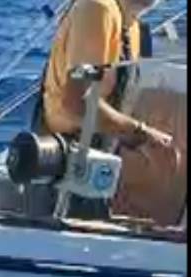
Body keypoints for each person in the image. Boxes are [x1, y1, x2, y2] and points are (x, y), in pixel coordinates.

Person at [33, 0, 178, 217]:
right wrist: (143, 135)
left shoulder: (133, 26)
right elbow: (77, 104)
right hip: (64, 174)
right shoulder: (97, 9)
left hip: (99, 170)